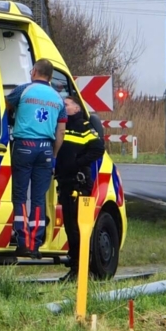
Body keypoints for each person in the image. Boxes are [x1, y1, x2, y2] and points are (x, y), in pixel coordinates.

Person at [5, 59, 66, 257]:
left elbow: (3, 108)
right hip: (46, 149)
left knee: (20, 196)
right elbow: (61, 132)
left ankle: (23, 242)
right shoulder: (58, 99)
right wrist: (54, 155)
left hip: (24, 146)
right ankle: (35, 245)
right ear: (50, 76)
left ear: (34, 72)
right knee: (39, 198)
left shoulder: (23, 90)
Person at [54, 93, 106, 279]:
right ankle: (76, 268)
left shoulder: (83, 126)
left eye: (67, 104)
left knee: (78, 228)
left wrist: (77, 163)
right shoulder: (62, 126)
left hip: (79, 184)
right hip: (66, 183)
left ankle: (82, 270)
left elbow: (98, 148)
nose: (63, 107)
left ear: (77, 108)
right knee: (70, 227)